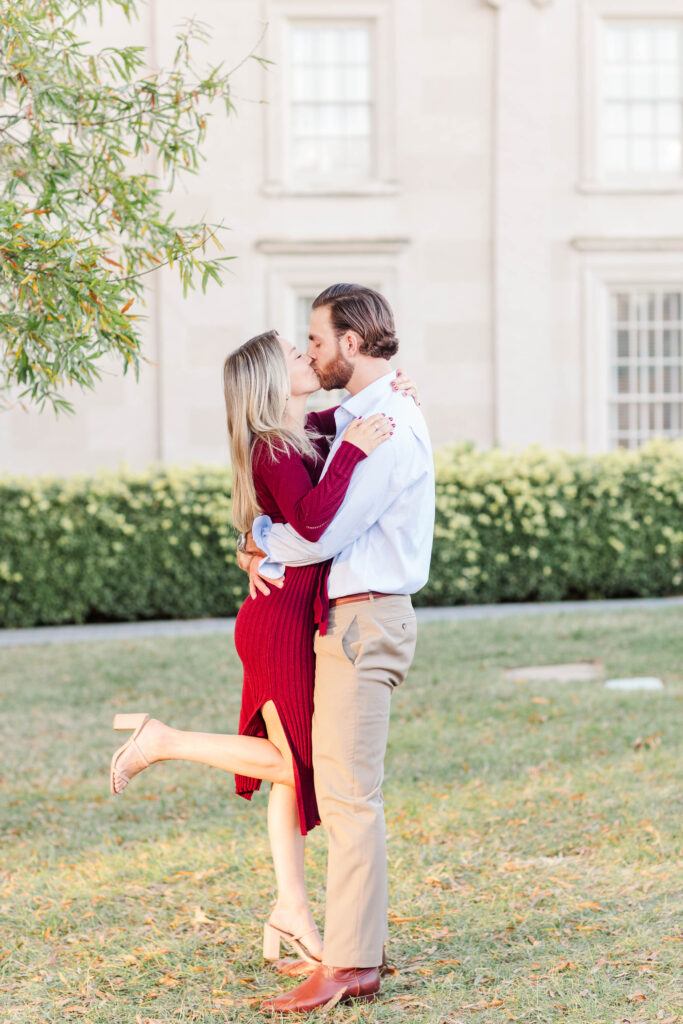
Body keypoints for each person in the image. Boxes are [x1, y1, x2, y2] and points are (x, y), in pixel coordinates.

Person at [108, 328, 418, 967]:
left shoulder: (298, 432)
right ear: (270, 383)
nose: (308, 357)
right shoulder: (274, 448)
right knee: (288, 764)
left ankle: (290, 908)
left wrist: (391, 393)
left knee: (287, 768)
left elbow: (342, 419)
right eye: (294, 355)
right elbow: (310, 522)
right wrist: (356, 452)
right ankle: (162, 741)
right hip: (278, 621)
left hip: (287, 614)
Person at [242, 284, 435, 1013]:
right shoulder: (368, 414)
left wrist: (259, 542)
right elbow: (306, 457)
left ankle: (350, 964)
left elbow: (321, 533)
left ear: (350, 345)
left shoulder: (385, 423)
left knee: (350, 797)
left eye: (316, 341)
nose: (310, 351)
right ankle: (361, 945)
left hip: (363, 620)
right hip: (350, 618)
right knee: (348, 792)